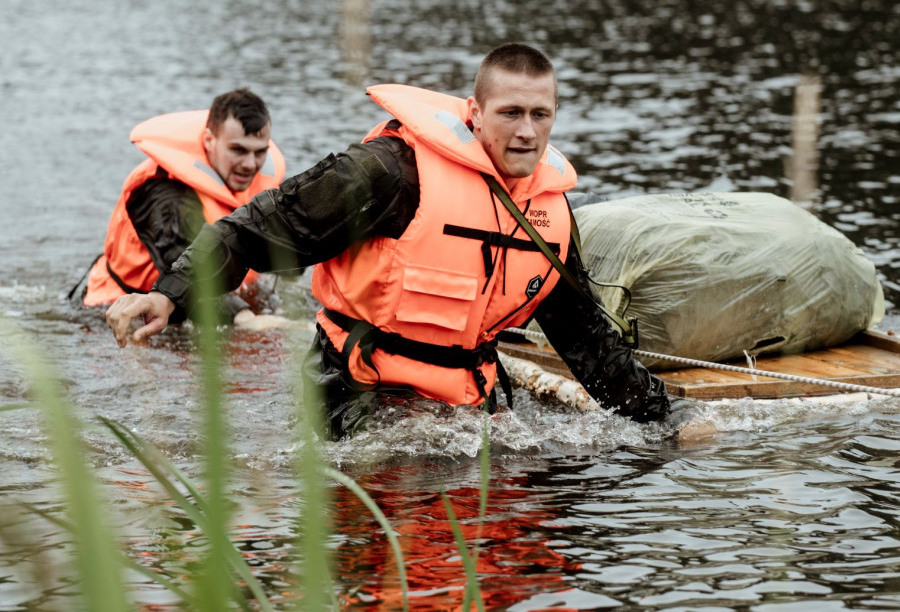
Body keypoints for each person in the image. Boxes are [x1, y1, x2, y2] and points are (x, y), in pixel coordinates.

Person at [105, 44, 669, 437]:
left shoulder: (549, 216)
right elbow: (257, 226)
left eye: (540, 114)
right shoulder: (390, 172)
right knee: (411, 485)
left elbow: (589, 344)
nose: (526, 130)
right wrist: (170, 295)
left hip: (467, 400)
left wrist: (667, 421)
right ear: (474, 114)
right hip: (355, 388)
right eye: (511, 112)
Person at [80, 88, 287, 324]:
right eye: (238, 150)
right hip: (117, 314)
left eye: (259, 152)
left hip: (186, 309)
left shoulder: (252, 180)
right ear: (209, 140)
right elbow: (186, 270)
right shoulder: (164, 195)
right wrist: (247, 320)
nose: (250, 164)